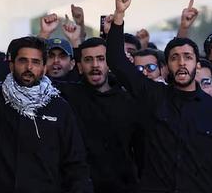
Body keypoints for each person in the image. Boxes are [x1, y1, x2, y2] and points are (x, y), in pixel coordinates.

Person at [106, 0, 212, 192]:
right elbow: (117, 62)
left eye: (187, 57)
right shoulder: (153, 96)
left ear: (197, 65)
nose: (181, 63)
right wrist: (119, 14)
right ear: (167, 66)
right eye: (175, 58)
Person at [0, 11, 93, 192]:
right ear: (11, 65)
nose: (29, 67)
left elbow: (75, 165)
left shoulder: (59, 107)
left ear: (44, 68)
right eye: (23, 61)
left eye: (35, 62)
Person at [54, 37, 144, 193]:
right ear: (79, 67)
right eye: (88, 60)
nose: (95, 65)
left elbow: (141, 151)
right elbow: (29, 77)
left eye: (101, 59)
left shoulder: (129, 101)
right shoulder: (66, 96)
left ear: (109, 64)